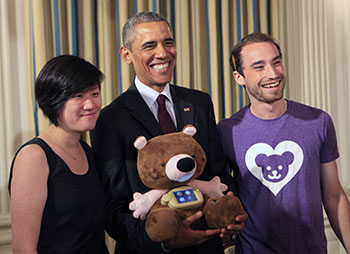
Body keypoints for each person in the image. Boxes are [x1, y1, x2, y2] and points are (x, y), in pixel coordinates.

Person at [91, 11, 247, 254]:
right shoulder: (110, 119)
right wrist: (164, 240)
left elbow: (218, 174)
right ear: (126, 55)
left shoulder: (199, 102)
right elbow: (113, 210)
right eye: (149, 45)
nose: (163, 53)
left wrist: (227, 212)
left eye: (168, 42)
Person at [217, 32, 350, 253]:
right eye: (259, 66)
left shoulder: (318, 121)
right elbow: (222, 195)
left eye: (276, 62)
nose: (273, 73)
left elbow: (334, 195)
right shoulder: (227, 131)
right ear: (239, 77)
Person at [9, 55, 109, 254]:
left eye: (95, 93)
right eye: (78, 96)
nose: (90, 104)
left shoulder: (87, 150)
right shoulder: (34, 157)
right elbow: (23, 249)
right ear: (54, 100)